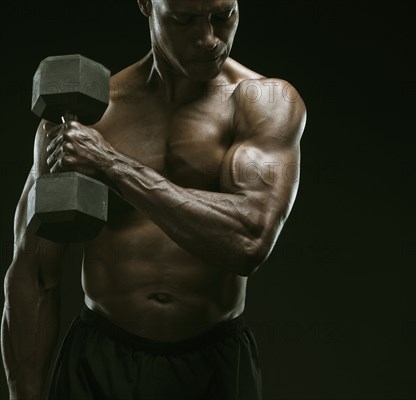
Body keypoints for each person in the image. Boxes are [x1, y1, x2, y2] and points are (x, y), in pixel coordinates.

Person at [1, 0, 306, 398]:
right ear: (147, 4)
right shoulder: (90, 117)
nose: (208, 39)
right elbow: (34, 274)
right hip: (99, 362)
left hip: (212, 364)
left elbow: (249, 239)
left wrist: (112, 165)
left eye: (223, 16)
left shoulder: (263, 104)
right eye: (184, 19)